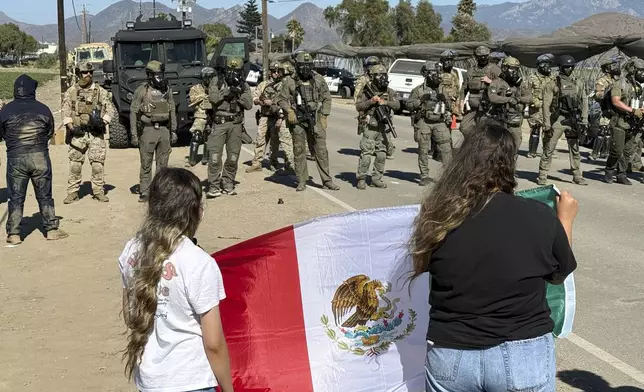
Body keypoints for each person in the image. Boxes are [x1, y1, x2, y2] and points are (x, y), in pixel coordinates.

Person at [408, 119, 578, 392]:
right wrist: (565, 220)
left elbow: (425, 267)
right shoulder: (537, 215)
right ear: (510, 163)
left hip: (451, 356)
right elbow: (559, 273)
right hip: (522, 354)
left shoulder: (439, 216)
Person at [118, 167, 233, 392]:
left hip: (151, 381)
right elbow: (214, 344)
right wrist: (229, 389)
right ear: (197, 212)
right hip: (191, 380)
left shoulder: (131, 251)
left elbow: (132, 317)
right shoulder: (198, 262)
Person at [0, 75, 68, 245]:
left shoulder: (6, 111)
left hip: (16, 158)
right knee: (45, 195)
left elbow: (1, 135)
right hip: (40, 157)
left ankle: (14, 234)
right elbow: (49, 132)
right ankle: (51, 229)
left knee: (15, 196)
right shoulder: (43, 109)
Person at [278, 51, 340, 192]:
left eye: (308, 65)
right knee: (299, 150)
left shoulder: (318, 79)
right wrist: (289, 111)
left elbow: (327, 98)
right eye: (302, 65)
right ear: (297, 66)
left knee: (321, 150)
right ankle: (301, 181)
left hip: (315, 118)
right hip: (298, 120)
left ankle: (327, 180)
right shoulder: (290, 81)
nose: (305, 68)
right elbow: (281, 99)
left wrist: (324, 115)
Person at [62, 62, 115, 204]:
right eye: (85, 72)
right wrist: (72, 128)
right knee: (75, 165)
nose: (88, 75)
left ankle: (98, 191)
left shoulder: (100, 91)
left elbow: (110, 110)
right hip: (78, 134)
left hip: (95, 134)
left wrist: (102, 123)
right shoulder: (71, 91)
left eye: (90, 72)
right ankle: (72, 192)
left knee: (97, 165)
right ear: (78, 73)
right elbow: (66, 112)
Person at [130, 60, 177, 202]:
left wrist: (173, 130)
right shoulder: (141, 91)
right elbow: (133, 112)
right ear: (149, 76)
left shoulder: (166, 89)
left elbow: (172, 109)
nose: (160, 78)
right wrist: (134, 134)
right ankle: (145, 190)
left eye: (161, 74)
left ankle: (160, 191)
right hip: (148, 130)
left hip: (164, 130)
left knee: (163, 163)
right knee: (146, 162)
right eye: (157, 75)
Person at [537, 55, 589, 186]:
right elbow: (546, 105)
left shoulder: (578, 83)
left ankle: (577, 174)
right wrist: (547, 124)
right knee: (549, 147)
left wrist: (584, 120)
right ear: (560, 67)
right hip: (559, 119)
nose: (569, 69)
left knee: (575, 148)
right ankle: (542, 175)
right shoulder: (553, 84)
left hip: (573, 119)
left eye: (571, 66)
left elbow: (584, 102)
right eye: (566, 67)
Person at [206, 57, 253, 198]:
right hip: (220, 123)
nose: (233, 74)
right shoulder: (217, 81)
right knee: (214, 156)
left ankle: (228, 182)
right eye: (231, 70)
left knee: (233, 157)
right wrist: (226, 92)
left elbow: (249, 104)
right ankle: (214, 185)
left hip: (236, 124)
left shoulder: (244, 85)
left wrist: (238, 93)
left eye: (236, 71)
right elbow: (213, 99)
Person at [407, 62, 453, 187]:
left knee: (446, 148)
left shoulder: (442, 89)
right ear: (426, 74)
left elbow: (451, 106)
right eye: (433, 73)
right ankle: (424, 176)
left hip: (439, 122)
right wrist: (420, 100)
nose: (436, 76)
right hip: (424, 122)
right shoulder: (418, 90)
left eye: (437, 73)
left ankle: (449, 176)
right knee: (423, 149)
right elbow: (408, 105)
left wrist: (445, 101)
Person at [354, 64, 399, 190]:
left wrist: (385, 102)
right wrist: (371, 101)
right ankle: (361, 178)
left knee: (382, 154)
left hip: (383, 128)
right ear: (373, 77)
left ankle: (376, 179)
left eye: (384, 75)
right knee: (367, 154)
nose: (382, 78)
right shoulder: (366, 91)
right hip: (370, 127)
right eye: (379, 75)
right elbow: (359, 106)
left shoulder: (389, 92)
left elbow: (397, 105)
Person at [247, 61, 294, 173]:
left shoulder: (284, 85)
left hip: (278, 116)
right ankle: (257, 163)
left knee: (276, 142)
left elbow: (287, 100)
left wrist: (272, 102)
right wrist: (261, 101)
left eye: (278, 71)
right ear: (270, 73)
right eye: (274, 71)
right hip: (265, 116)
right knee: (260, 139)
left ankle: (275, 163)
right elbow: (254, 97)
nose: (276, 74)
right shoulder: (263, 84)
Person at [604, 57, 644, 185]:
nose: (642, 73)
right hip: (620, 122)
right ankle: (609, 171)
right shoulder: (619, 83)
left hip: (634, 124)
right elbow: (616, 101)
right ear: (632, 70)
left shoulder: (638, 86)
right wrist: (632, 111)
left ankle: (621, 174)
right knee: (617, 150)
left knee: (628, 152)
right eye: (640, 70)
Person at [484, 56, 532, 156]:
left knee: (515, 145)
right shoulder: (497, 82)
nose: (514, 72)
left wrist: (519, 99)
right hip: (500, 120)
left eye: (516, 69)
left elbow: (529, 97)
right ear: (504, 68)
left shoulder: (521, 84)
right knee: (496, 147)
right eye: (512, 68)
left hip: (515, 121)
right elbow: (492, 97)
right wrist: (508, 99)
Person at [459, 45, 502, 139]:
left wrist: (490, 82)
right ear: (476, 57)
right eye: (480, 56)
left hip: (487, 108)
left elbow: (503, 86)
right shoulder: (471, 70)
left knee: (483, 128)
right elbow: (464, 88)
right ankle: (473, 141)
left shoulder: (494, 69)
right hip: (473, 107)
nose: (482, 58)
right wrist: (461, 101)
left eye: (485, 56)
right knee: (464, 127)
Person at [591, 55, 622, 160]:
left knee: (609, 131)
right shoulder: (602, 81)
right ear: (607, 68)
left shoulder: (616, 80)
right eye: (612, 66)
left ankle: (605, 152)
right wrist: (603, 93)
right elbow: (598, 95)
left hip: (612, 108)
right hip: (603, 108)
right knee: (602, 131)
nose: (615, 67)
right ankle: (595, 153)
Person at [527, 53, 555, 158]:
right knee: (535, 129)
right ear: (539, 65)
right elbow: (527, 93)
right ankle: (532, 151)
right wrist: (535, 101)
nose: (547, 66)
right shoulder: (532, 78)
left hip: (549, 108)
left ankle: (547, 152)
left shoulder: (553, 78)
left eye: (548, 64)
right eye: (544, 64)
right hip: (536, 108)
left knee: (548, 130)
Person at [187, 67, 216, 167]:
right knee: (196, 136)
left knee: (209, 137)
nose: (208, 80)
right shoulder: (196, 88)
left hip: (213, 115)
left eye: (211, 77)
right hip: (201, 115)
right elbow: (191, 101)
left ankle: (206, 158)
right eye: (207, 78)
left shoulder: (216, 88)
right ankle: (192, 159)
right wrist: (203, 97)